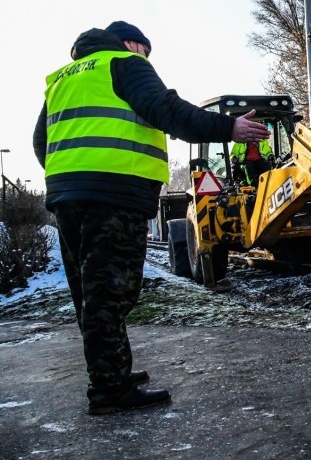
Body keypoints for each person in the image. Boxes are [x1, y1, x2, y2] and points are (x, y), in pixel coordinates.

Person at [32, 21, 271, 415]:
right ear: (132, 44)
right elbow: (167, 110)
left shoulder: (62, 78)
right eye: (145, 51)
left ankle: (111, 375)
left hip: (67, 197)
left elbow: (41, 142)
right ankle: (110, 392)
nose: (146, 58)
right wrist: (230, 127)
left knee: (89, 294)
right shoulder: (125, 63)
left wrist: (70, 178)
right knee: (112, 291)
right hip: (114, 196)